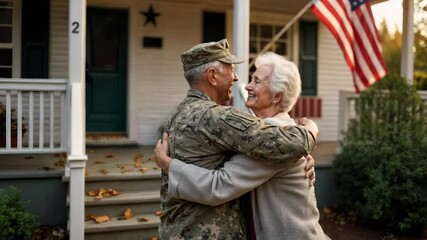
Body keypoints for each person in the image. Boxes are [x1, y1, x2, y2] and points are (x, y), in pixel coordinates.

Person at [155, 51, 329, 239]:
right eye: (251, 79)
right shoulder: (266, 134)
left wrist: (168, 164)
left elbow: (218, 186)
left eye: (257, 81)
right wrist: (309, 133)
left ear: (277, 96)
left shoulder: (275, 137)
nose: (246, 86)